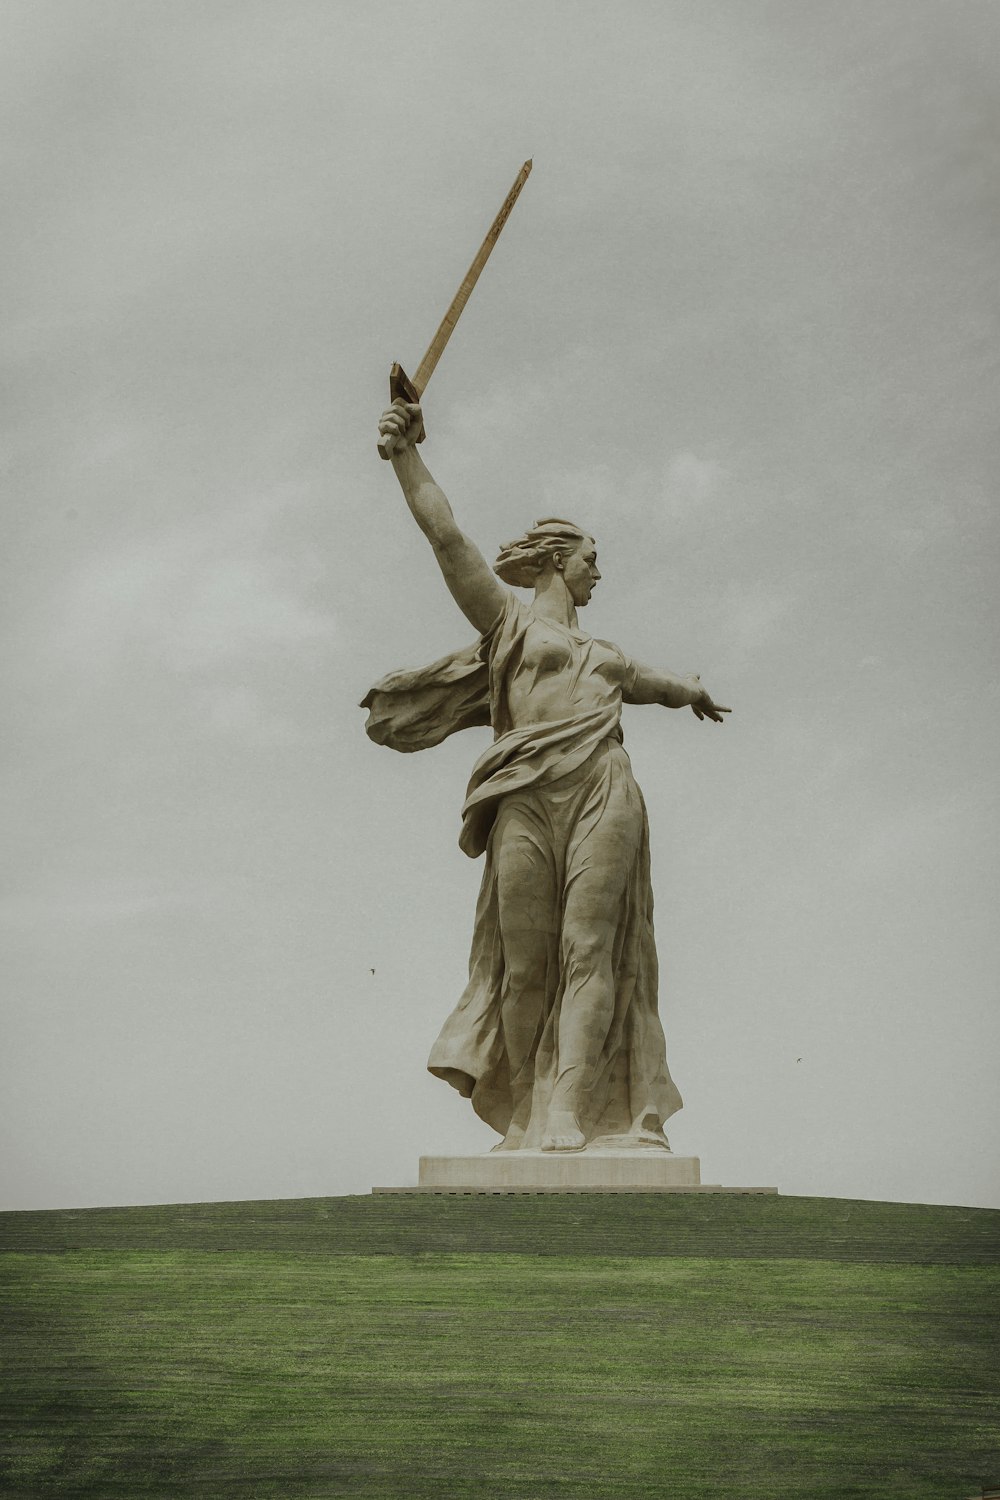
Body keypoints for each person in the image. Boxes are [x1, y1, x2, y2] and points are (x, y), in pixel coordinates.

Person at [363, 399, 730, 1153]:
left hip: (603, 788)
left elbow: (661, 684)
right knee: (525, 963)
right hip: (526, 797)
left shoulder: (611, 657)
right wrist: (406, 455)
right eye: (593, 558)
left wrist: (692, 690)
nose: (600, 572)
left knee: (591, 949)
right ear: (558, 559)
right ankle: (527, 1108)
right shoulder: (508, 623)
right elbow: (445, 534)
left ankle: (567, 1109)